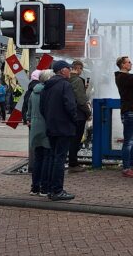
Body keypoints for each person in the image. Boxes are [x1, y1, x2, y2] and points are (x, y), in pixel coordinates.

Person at [39, 61, 79, 201]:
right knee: (60, 159)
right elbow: (70, 106)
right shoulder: (65, 85)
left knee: (53, 157)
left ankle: (50, 189)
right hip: (64, 127)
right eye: (69, 69)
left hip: (51, 127)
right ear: (63, 71)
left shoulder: (47, 86)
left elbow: (42, 108)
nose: (70, 71)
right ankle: (57, 190)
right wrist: (75, 120)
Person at [27, 71, 54, 196]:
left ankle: (34, 187)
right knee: (47, 158)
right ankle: (44, 188)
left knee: (38, 158)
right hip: (46, 127)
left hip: (35, 128)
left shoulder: (33, 92)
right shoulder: (48, 92)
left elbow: (29, 110)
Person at [67, 60, 91, 173]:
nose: (81, 71)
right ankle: (73, 163)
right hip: (79, 114)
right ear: (78, 68)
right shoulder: (77, 80)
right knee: (76, 140)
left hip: (69, 113)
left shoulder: (67, 79)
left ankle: (72, 161)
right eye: (81, 69)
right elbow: (81, 99)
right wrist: (88, 113)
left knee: (71, 139)